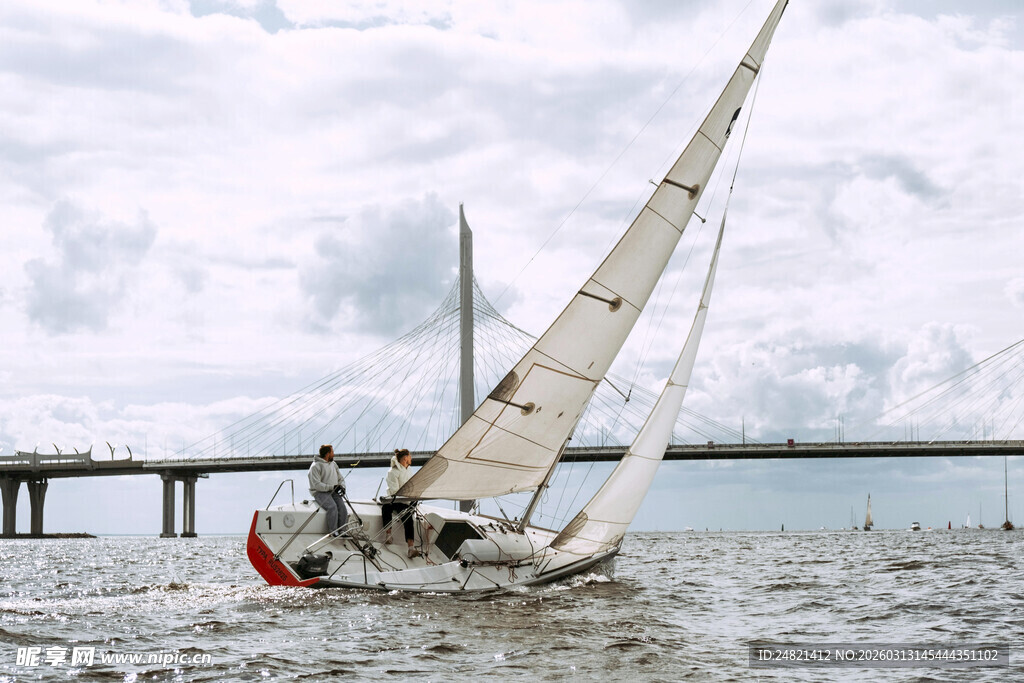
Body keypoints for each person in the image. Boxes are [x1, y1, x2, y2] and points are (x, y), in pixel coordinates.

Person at [382, 448, 420, 557]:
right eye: (410, 456)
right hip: (395, 500)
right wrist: (407, 499)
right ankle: (388, 535)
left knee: (408, 519)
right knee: (386, 507)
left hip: (407, 499)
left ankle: (411, 548)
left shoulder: (409, 470)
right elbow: (394, 491)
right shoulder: (392, 472)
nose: (411, 458)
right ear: (405, 458)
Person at [308, 444, 348, 537]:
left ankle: (342, 531)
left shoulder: (333, 464)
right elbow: (317, 485)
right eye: (332, 452)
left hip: (333, 491)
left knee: (342, 507)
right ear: (327, 454)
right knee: (332, 507)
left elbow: (340, 478)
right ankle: (333, 531)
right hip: (319, 492)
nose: (334, 454)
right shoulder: (315, 466)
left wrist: (342, 487)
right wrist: (332, 487)